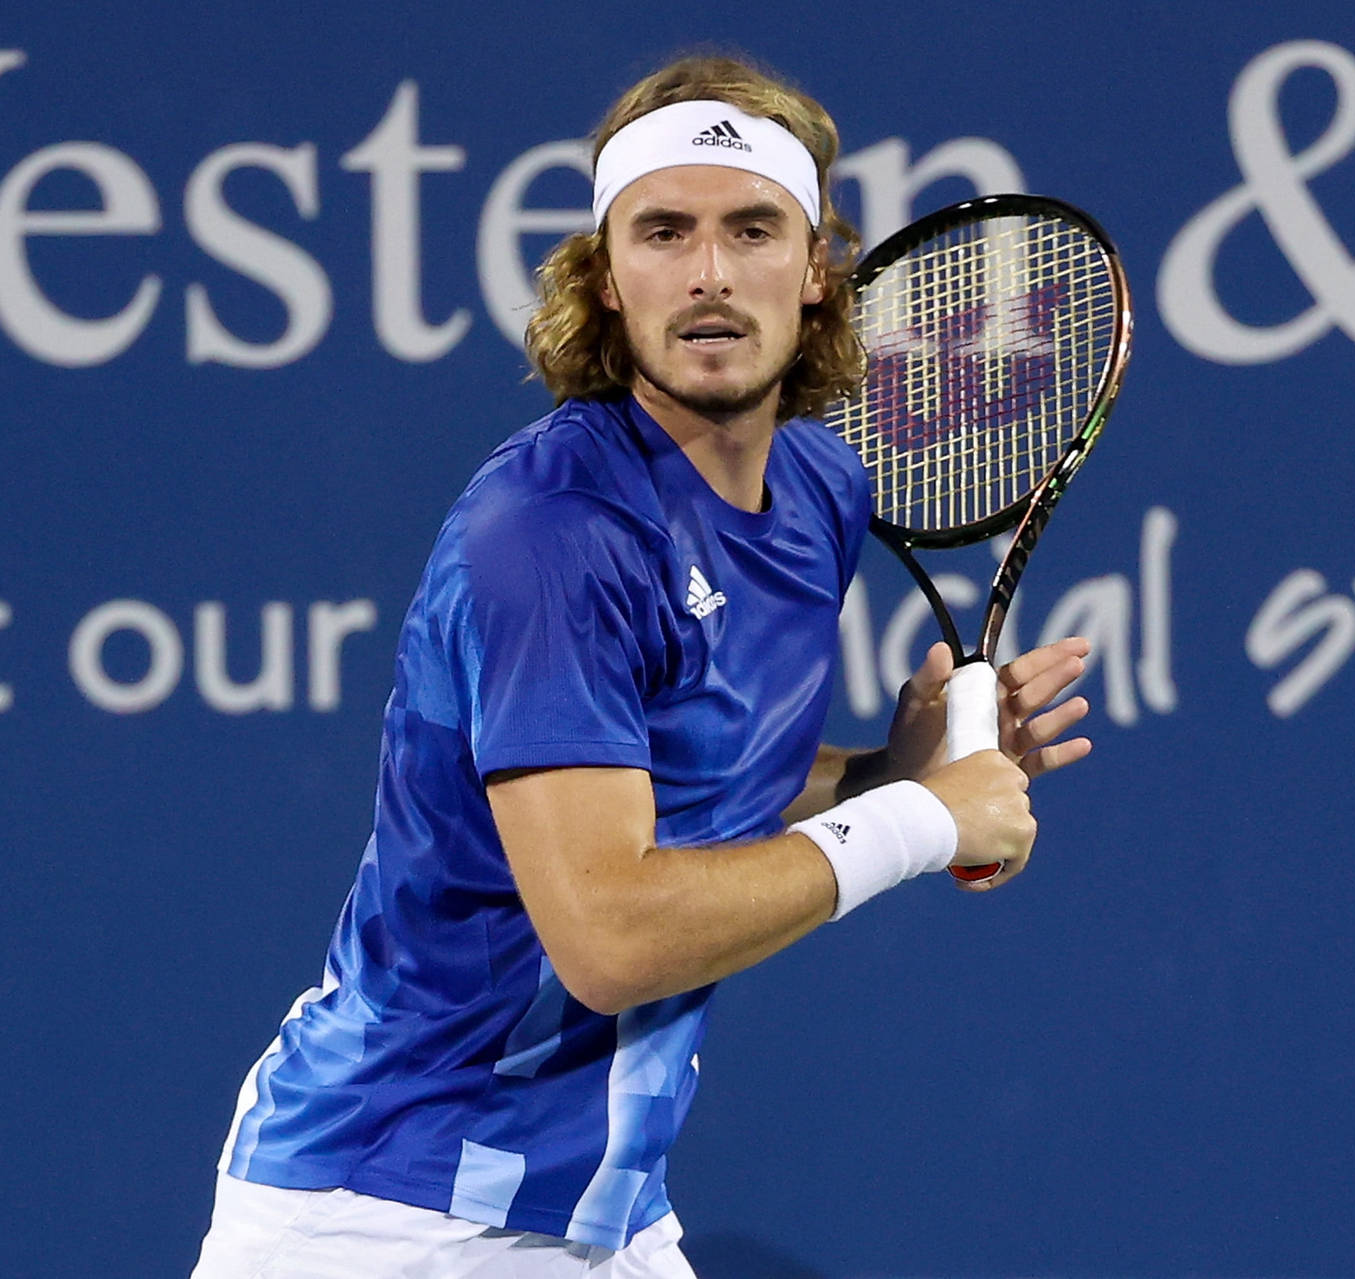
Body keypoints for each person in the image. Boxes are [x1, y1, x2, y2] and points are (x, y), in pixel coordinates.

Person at [190, 53, 1094, 1279]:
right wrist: (924, 822)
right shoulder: (552, 532)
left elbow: (693, 788)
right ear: (606, 277)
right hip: (391, 1212)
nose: (709, 273)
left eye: (751, 228)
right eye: (664, 231)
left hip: (595, 1214)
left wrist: (894, 769)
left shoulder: (820, 489)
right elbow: (609, 935)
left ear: (818, 269)